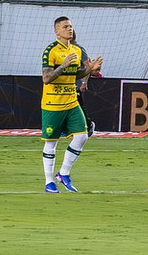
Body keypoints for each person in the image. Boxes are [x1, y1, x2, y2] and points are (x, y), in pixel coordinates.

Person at [41, 16, 103, 193]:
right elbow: (46, 78)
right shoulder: (50, 51)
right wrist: (63, 65)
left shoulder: (75, 50)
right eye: (65, 26)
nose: (70, 29)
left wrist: (90, 68)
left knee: (82, 135)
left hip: (71, 101)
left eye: (71, 26)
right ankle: (48, 182)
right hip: (53, 103)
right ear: (57, 31)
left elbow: (75, 74)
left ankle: (64, 173)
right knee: (51, 143)